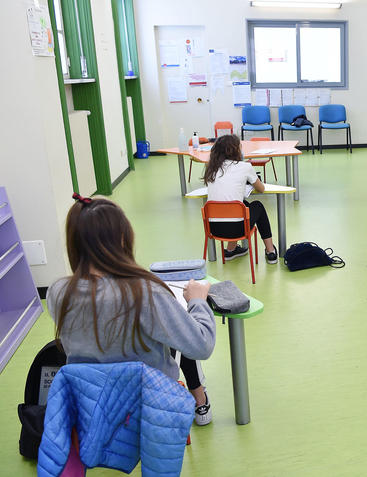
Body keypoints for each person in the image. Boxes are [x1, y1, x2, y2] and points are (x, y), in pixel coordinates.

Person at [47, 194, 216, 425]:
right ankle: (200, 400)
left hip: (91, 414)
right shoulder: (144, 293)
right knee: (182, 330)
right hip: (148, 414)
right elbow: (201, 345)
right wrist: (197, 301)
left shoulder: (58, 292)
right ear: (122, 237)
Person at [203, 134, 278, 263]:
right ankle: (270, 251)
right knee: (258, 206)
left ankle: (230, 250)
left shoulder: (211, 168)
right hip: (239, 229)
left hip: (214, 229)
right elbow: (261, 189)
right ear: (236, 150)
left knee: (243, 204)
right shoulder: (245, 167)